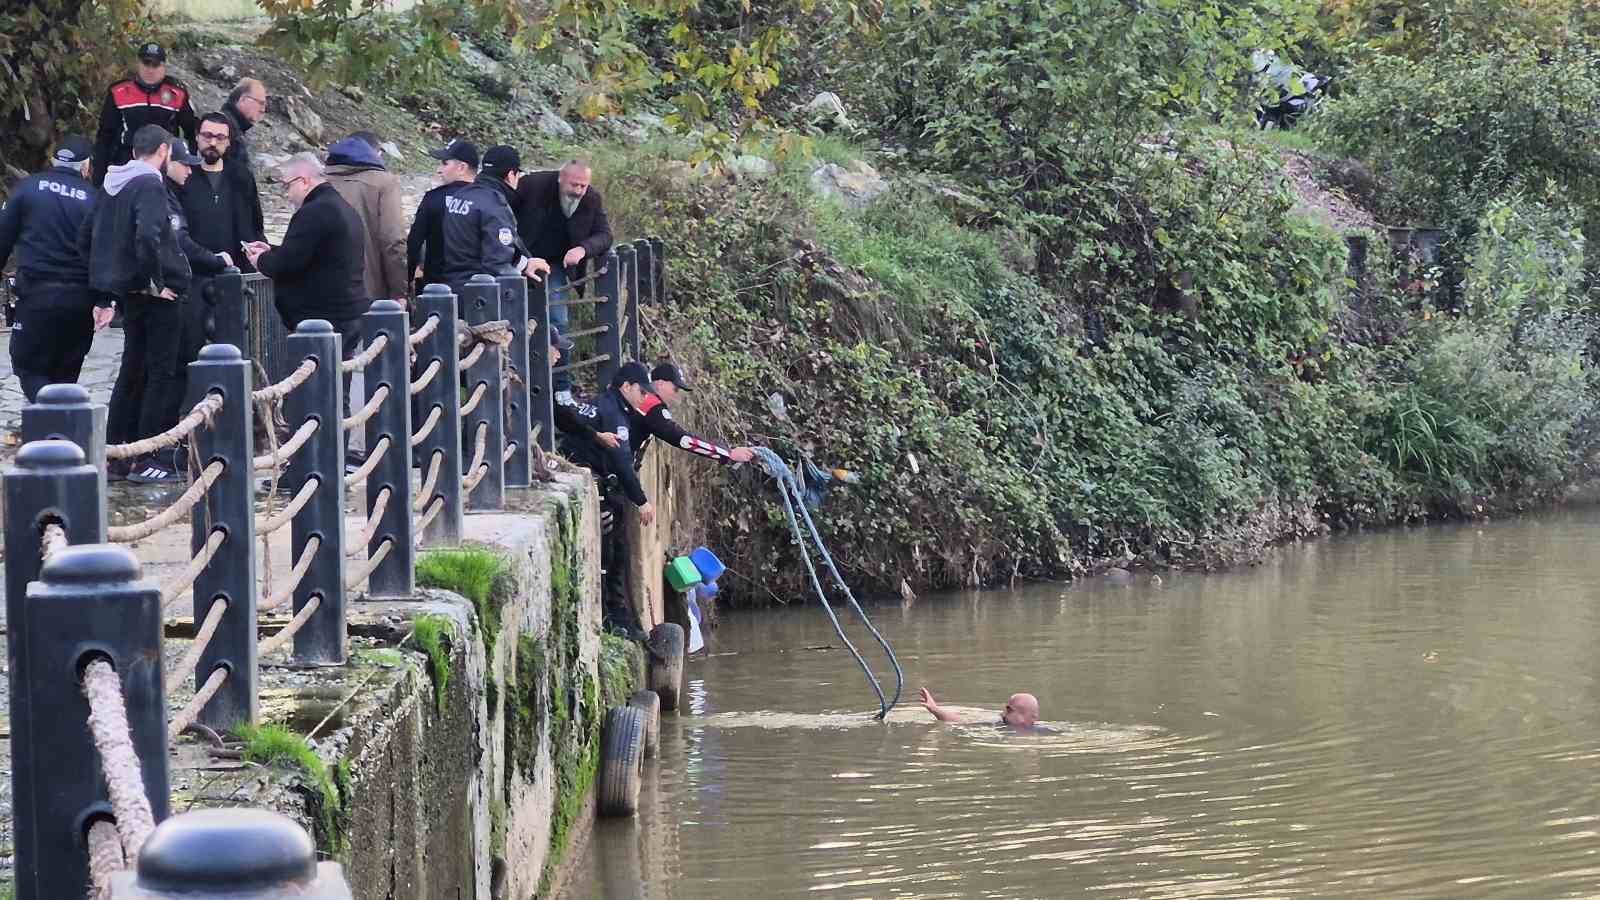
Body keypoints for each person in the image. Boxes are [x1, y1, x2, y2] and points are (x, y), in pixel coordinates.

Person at [82, 125, 190, 481]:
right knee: (160, 373)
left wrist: (109, 291)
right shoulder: (149, 183)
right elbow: (148, 236)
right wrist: (154, 283)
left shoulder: (112, 184)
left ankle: (117, 452)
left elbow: (88, 237)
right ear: (163, 150)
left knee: (131, 369)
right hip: (156, 295)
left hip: (128, 292)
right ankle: (148, 455)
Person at [243, 153, 367, 412]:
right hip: (345, 313)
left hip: (322, 320)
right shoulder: (340, 206)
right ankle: (335, 451)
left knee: (319, 398)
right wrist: (272, 249)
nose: (287, 194)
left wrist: (262, 261)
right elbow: (311, 253)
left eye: (287, 185)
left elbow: (288, 263)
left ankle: (324, 453)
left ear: (304, 180)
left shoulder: (314, 212)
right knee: (334, 393)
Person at [0, 135, 108, 403]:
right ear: (86, 167)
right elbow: (106, 252)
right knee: (67, 372)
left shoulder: (28, 188)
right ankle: (60, 428)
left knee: (29, 368)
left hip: (36, 295)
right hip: (80, 300)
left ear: (53, 160)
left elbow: (3, 238)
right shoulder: (94, 200)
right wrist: (107, 298)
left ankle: (50, 424)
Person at [559, 361, 658, 640]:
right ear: (626, 386)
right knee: (612, 553)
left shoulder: (611, 405)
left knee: (617, 551)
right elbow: (621, 461)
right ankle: (613, 621)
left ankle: (617, 618)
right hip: (598, 486)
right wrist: (642, 500)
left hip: (600, 483)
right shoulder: (614, 413)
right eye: (642, 391)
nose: (645, 397)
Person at [417, 142, 549, 296]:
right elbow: (498, 258)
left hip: (450, 287)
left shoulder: (460, 196)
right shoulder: (495, 205)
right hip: (479, 294)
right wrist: (526, 264)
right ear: (511, 174)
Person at [513, 159, 612, 329]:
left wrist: (582, 249)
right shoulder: (533, 185)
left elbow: (605, 235)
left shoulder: (591, 198)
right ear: (561, 178)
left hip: (555, 264)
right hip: (521, 258)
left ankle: (560, 354)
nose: (578, 191)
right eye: (574, 185)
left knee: (557, 319)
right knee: (514, 314)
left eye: (583, 186)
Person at [92, 42, 198, 185]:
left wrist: (190, 167)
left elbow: (191, 132)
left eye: (156, 65)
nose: (150, 70)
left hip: (164, 165)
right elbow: (105, 135)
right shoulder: (119, 91)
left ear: (164, 66)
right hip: (126, 162)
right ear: (138, 64)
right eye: (146, 63)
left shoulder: (177, 93)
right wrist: (99, 177)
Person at [325, 132, 408, 303]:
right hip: (369, 294)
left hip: (323, 295)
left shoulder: (317, 180)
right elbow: (392, 239)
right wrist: (399, 291)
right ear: (377, 153)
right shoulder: (384, 182)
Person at [178, 112, 265, 273]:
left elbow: (256, 223)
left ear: (228, 142)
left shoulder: (241, 176)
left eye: (220, 137)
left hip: (237, 271)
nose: (212, 142)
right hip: (195, 273)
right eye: (207, 135)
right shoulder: (183, 176)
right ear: (196, 136)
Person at [626, 361, 754, 466]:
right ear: (660, 383)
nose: (676, 395)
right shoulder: (653, 407)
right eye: (675, 389)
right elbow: (684, 440)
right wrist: (727, 454)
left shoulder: (639, 392)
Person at [406, 139, 479, 293]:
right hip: (478, 290)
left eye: (444, 163)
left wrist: (408, 279)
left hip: (436, 289)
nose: (439, 170)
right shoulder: (487, 200)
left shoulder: (433, 198)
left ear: (461, 167)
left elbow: (413, 244)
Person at [549, 325, 620, 450]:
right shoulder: (534, 378)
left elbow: (562, 416)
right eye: (555, 349)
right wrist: (597, 436)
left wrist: (596, 435)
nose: (559, 356)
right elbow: (562, 416)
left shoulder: (547, 377)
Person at [918, 687, 1057, 733]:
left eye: (1009, 710)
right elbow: (960, 721)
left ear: (1034, 718)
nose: (1005, 713)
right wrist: (935, 709)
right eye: (1007, 710)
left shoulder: (1042, 730)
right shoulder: (997, 724)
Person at [218, 78, 268, 173]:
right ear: (243, 99)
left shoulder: (234, 128)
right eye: (260, 103)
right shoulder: (225, 129)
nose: (263, 110)